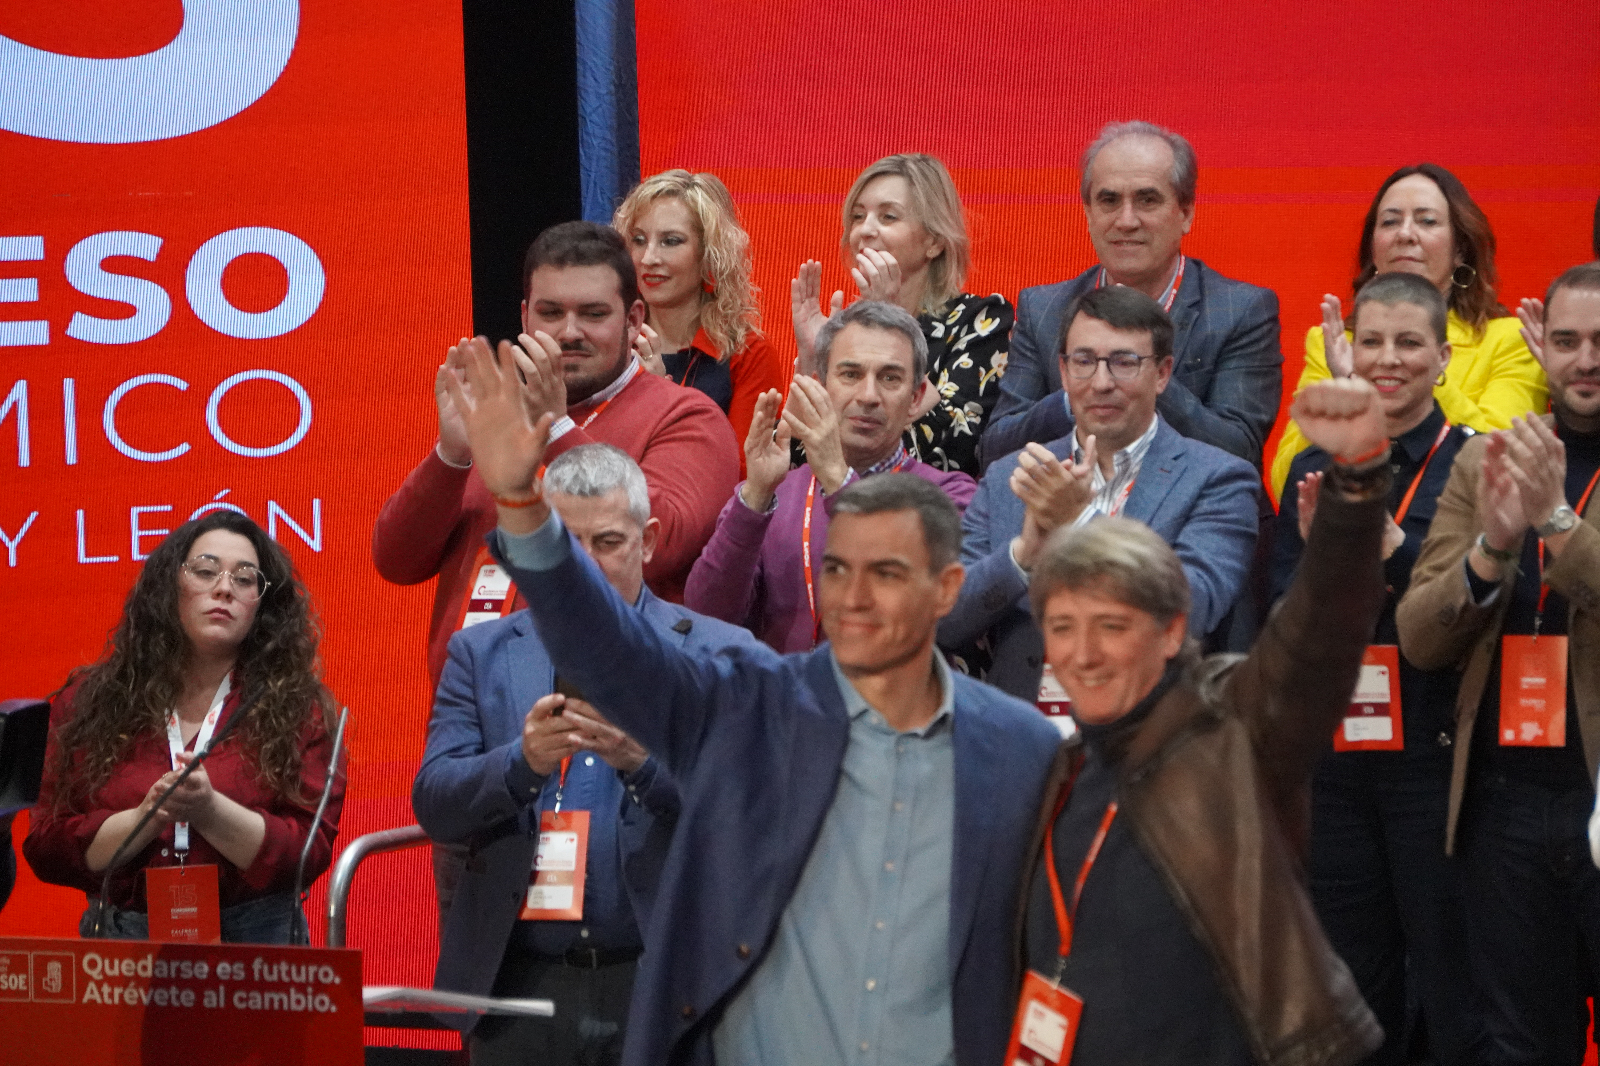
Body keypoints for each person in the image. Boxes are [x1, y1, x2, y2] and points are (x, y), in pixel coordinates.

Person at [439, 331, 1063, 1066]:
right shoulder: (752, 703)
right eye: (837, 569)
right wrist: (522, 509)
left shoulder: (1022, 751)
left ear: (948, 589)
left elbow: (1044, 947)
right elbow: (608, 647)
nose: (854, 597)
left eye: (887, 573)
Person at [1015, 376, 1390, 1065]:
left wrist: (1358, 483)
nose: (1083, 654)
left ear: (1170, 631)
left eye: (1111, 625)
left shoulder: (1228, 727)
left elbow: (1316, 640)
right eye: (1062, 627)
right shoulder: (1058, 772)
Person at [412, 444, 758, 1065]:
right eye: (567, 544)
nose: (587, 565)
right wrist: (520, 764)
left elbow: (752, 806)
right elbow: (436, 802)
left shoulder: (719, 654)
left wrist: (644, 765)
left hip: (664, 979)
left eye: (608, 542)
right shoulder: (481, 654)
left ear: (648, 542)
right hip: (519, 985)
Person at [373, 220, 741, 692]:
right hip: (470, 707)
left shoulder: (687, 416)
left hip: (606, 707)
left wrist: (555, 429)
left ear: (633, 321)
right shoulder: (496, 410)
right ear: (525, 317)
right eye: (550, 313)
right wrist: (452, 454)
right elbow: (396, 561)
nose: (569, 332)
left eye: (593, 314)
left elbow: (661, 542)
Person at [1270, 273, 1479, 1064]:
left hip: (1440, 762)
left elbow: (1476, 605)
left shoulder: (1471, 464)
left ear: (1443, 357)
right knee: (1351, 994)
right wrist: (1325, 564)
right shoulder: (1313, 466)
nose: (1388, 360)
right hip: (1338, 767)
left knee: (1455, 991)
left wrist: (1391, 547)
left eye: (1408, 343)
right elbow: (1285, 615)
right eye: (1373, 342)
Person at [1396, 263, 1600, 1063]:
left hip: (1598, 793)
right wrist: (1493, 547)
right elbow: (1420, 636)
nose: (1586, 359)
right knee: (1517, 1044)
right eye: (1569, 340)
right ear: (1541, 345)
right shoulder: (1485, 462)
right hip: (1504, 806)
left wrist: (1557, 521)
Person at [24, 511, 342, 944]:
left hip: (258, 939)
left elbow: (307, 853)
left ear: (262, 605)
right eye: (206, 571)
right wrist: (145, 818)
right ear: (169, 585)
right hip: (121, 939)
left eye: (244, 579)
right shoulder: (90, 701)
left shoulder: (300, 707)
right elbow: (46, 845)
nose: (224, 588)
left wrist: (209, 810)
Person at [940, 285, 1259, 705]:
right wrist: (1023, 555)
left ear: (1163, 373)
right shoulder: (1011, 475)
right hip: (1024, 726)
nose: (1102, 383)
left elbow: (1191, 610)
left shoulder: (1219, 479)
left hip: (1152, 727)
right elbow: (945, 620)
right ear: (1063, 370)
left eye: (1124, 362)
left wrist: (1080, 522)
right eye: (1084, 361)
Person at [980, 121, 1281, 472]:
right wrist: (1081, 390)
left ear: (1186, 213)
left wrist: (1139, 372)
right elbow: (995, 451)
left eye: (1147, 200)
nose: (1126, 221)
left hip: (1191, 503)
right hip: (1073, 500)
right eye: (1109, 201)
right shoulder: (1043, 308)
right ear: (1088, 213)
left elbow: (1239, 451)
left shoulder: (1240, 310)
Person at [686, 299, 977, 652]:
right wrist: (755, 497)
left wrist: (838, 478)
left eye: (890, 378)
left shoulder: (949, 495)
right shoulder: (775, 492)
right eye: (851, 374)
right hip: (785, 685)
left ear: (916, 399)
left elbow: (937, 615)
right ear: (820, 387)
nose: (868, 396)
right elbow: (705, 616)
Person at [1270, 164, 1547, 501]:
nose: (1405, 234)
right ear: (1373, 249)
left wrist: (1419, 374)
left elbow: (1503, 461)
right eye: (1390, 222)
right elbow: (1287, 482)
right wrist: (1346, 391)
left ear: (1460, 249)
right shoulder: (1336, 343)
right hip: (1354, 521)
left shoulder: (1512, 340)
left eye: (1426, 221)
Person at [791, 153, 1013, 477]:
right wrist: (812, 360)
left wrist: (891, 324)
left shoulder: (980, 320)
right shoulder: (846, 330)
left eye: (888, 217)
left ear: (934, 242)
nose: (865, 230)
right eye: (857, 216)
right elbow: (790, 467)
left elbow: (954, 451)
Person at [612, 169, 788, 456]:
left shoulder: (747, 354)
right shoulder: (610, 343)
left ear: (709, 254)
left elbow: (741, 472)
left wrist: (659, 398)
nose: (648, 258)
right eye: (639, 240)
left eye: (671, 241)